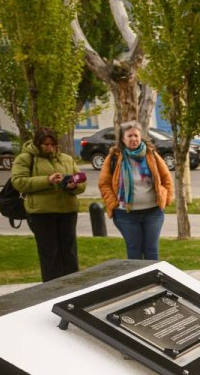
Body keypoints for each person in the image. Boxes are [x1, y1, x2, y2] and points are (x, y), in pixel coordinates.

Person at [11, 127, 85, 282]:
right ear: (37, 144)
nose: (50, 148)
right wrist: (47, 180)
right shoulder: (26, 158)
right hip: (42, 213)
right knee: (50, 253)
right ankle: (52, 288)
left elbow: (81, 181)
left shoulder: (66, 158)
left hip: (67, 211)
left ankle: (73, 286)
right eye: (45, 145)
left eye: (52, 144)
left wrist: (73, 185)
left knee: (69, 252)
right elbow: (18, 182)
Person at [98, 120, 173, 260]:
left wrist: (165, 199)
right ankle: (138, 281)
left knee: (151, 251)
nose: (133, 139)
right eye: (129, 136)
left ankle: (153, 281)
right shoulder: (114, 157)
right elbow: (104, 184)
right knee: (134, 251)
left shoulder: (151, 155)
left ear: (141, 137)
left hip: (153, 213)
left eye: (136, 135)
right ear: (122, 139)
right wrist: (113, 203)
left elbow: (166, 178)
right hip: (126, 215)